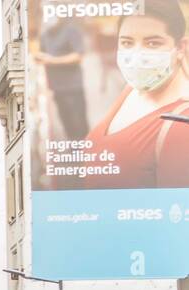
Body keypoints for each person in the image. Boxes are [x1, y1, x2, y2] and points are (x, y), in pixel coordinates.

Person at [74, 0, 189, 190]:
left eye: (153, 43)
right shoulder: (133, 89)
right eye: (127, 42)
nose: (137, 55)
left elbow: (174, 213)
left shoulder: (181, 123)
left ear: (181, 47)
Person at [34, 15, 90, 141]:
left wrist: (53, 60)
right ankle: (75, 153)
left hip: (73, 87)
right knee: (67, 123)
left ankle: (87, 153)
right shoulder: (45, 35)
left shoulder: (71, 31)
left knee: (79, 124)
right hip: (56, 88)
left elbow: (78, 56)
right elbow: (42, 57)